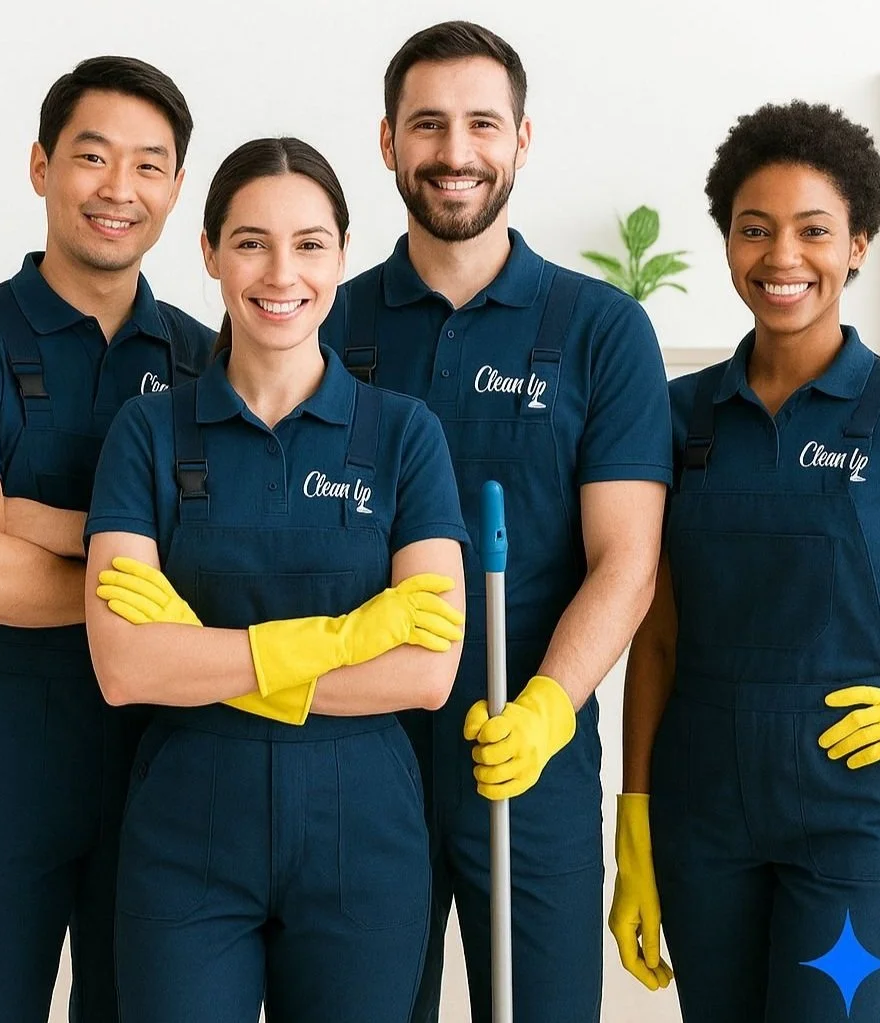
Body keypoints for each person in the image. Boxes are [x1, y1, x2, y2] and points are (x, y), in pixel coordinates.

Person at [321, 21, 671, 1022]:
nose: (455, 151)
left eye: (482, 123)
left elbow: (628, 561)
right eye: (428, 124)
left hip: (530, 755)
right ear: (388, 141)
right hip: (359, 755)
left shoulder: (600, 329)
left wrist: (549, 708)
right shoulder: (327, 325)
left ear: (523, 140)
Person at [83, 136, 469, 1023]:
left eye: (309, 243)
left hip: (363, 832)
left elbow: (423, 670)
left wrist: (204, 658)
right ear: (211, 252)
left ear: (340, 255)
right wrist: (341, 638)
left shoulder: (404, 435)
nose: (280, 272)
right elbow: (126, 668)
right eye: (251, 241)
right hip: (186, 827)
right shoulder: (147, 434)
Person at [611, 100, 880, 1023]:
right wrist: (634, 818)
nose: (780, 257)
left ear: (858, 245)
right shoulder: (674, 415)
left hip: (849, 809)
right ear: (726, 241)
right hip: (701, 806)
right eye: (753, 229)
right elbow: (654, 635)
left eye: (813, 230)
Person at [0, 56, 212, 1022]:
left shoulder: (204, 358)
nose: (118, 189)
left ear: (177, 190)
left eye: (149, 165)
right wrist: (153, 585)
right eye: (93, 157)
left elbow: (231, 568)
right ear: (40, 166)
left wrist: (34, 517)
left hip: (161, 753)